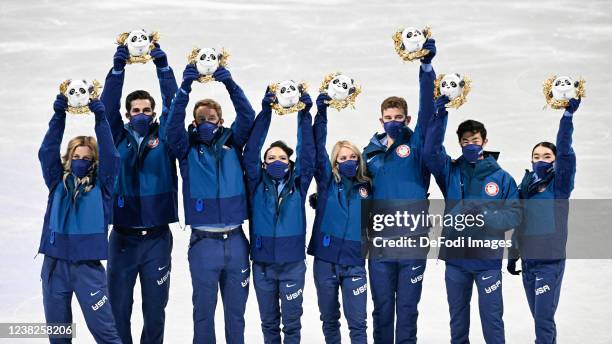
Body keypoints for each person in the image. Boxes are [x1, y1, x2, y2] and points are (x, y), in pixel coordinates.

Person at [165, 63, 255, 343]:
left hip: (237, 242)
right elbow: (171, 127)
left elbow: (248, 115)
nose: (206, 121)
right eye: (201, 118)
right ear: (193, 122)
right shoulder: (185, 149)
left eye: (211, 117)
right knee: (203, 312)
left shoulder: (234, 142)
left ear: (220, 120)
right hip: (203, 244)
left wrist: (229, 84)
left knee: (236, 314)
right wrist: (185, 88)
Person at [423, 96, 522, 344]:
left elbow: (515, 214)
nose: (470, 145)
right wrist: (440, 115)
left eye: (474, 141)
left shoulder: (502, 178)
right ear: (459, 143)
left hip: (487, 260)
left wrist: (486, 214)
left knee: (492, 318)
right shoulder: (451, 170)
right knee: (457, 318)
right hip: (456, 259)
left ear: (485, 142)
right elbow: (430, 151)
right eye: (465, 141)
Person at [101, 42, 178, 344]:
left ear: (154, 113)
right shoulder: (116, 137)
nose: (141, 115)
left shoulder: (167, 137)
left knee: (155, 310)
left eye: (147, 110)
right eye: (136, 111)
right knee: (119, 310)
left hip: (157, 239)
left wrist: (164, 70)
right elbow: (105, 110)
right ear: (127, 114)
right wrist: (117, 71)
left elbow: (176, 104)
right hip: (121, 239)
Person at [361, 38, 437, 343]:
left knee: (407, 309)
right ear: (381, 120)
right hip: (379, 245)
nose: (393, 122)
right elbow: (358, 189)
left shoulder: (417, 145)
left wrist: (426, 66)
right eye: (388, 118)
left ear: (408, 120)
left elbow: (429, 108)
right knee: (381, 310)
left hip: (412, 244)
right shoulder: (369, 153)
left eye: (398, 118)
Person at [38, 95, 121, 343]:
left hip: (88, 269)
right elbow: (46, 152)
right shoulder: (56, 182)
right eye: (76, 157)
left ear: (94, 161)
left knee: (106, 334)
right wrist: (58, 117)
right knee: (59, 335)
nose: (80, 161)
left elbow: (112, 157)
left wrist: (101, 119)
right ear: (68, 158)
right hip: (54, 267)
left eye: (86, 158)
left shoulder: (103, 187)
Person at [243, 88, 314, 344]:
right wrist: (265, 113)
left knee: (292, 325)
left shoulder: (300, 184)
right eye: (271, 158)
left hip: (293, 265)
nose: (276, 161)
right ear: (263, 164)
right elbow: (251, 152)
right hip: (262, 266)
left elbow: (307, 153)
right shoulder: (254, 184)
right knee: (269, 323)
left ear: (290, 163)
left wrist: (303, 115)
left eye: (282, 158)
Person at [507, 98, 581, 343]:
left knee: (543, 320)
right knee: (538, 317)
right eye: (536, 156)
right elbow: (519, 222)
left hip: (550, 263)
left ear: (555, 161)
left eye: (547, 156)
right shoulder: (525, 186)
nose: (540, 160)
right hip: (529, 263)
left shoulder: (559, 186)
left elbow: (566, 150)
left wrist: (567, 118)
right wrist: (513, 255)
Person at [307, 93, 371, 343]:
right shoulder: (325, 183)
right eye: (342, 158)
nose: (348, 161)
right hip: (325, 261)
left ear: (359, 159)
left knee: (358, 323)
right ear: (334, 162)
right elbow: (316, 147)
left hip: (355, 262)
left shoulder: (369, 188)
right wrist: (321, 114)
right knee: (329, 320)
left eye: (352, 157)